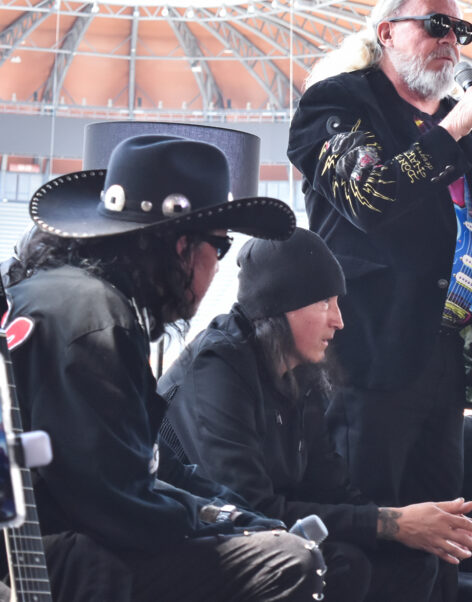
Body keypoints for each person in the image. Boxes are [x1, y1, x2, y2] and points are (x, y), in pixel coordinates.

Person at [286, 0, 472, 596]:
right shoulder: (337, 102)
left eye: (460, 30)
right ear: (387, 32)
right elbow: (371, 197)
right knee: (374, 525)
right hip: (365, 353)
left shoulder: (463, 123)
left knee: (442, 533)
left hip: (443, 353)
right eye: (435, 25)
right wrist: (453, 130)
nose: (450, 40)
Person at [2, 134, 326, 602]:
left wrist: (230, 512)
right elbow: (119, 506)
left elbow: (143, 462)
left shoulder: (54, 294)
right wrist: (226, 526)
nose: (219, 268)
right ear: (181, 248)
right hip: (34, 553)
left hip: (41, 536)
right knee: (288, 561)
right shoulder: (98, 320)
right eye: (221, 247)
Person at [158, 228, 472, 602]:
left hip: (273, 532)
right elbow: (247, 507)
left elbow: (331, 487)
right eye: (324, 302)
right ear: (279, 305)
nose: (339, 320)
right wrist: (391, 524)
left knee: (413, 561)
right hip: (198, 535)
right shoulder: (218, 365)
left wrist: (410, 525)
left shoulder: (299, 370)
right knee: (345, 564)